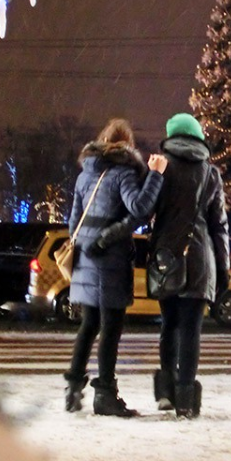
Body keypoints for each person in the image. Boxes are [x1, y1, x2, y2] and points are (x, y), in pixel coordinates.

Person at [63, 118, 167, 417]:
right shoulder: (123, 173)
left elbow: (73, 222)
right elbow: (139, 209)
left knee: (88, 325)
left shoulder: (85, 175)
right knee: (111, 328)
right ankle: (105, 395)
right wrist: (155, 176)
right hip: (110, 258)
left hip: (85, 256)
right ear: (127, 145)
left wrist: (87, 242)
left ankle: (72, 390)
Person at [147, 113, 229, 419]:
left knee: (169, 326)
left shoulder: (161, 166)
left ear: (171, 136)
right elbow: (219, 226)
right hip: (200, 259)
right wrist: (223, 267)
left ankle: (166, 392)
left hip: (167, 257)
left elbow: (146, 209)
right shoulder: (211, 173)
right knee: (191, 330)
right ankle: (185, 399)